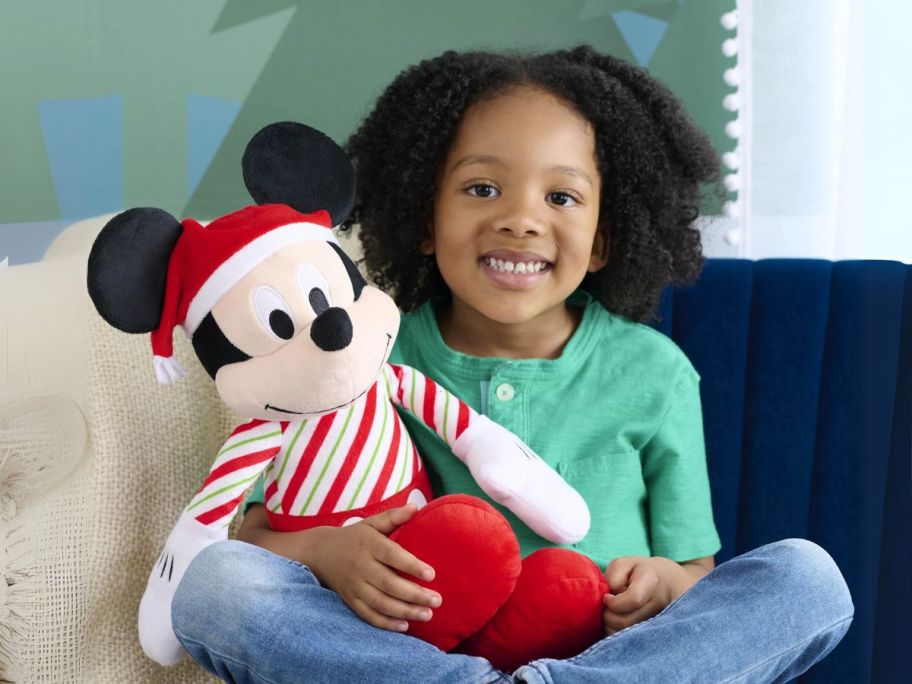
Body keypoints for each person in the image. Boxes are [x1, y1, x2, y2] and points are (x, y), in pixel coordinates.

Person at [171, 46, 853, 683]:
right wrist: (327, 555)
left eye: (561, 197)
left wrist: (661, 585)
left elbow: (694, 570)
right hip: (420, 649)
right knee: (217, 585)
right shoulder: (366, 355)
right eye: (481, 189)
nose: (520, 219)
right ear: (423, 220)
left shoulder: (655, 371)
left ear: (604, 241)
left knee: (810, 580)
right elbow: (255, 537)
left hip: (614, 654)